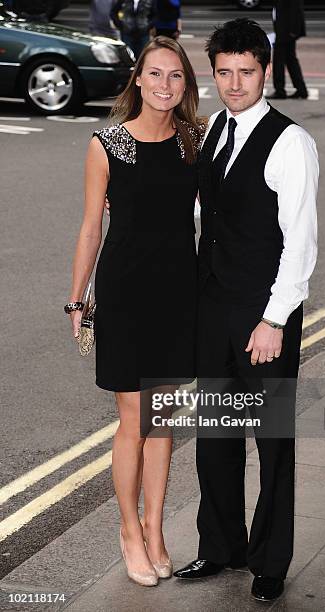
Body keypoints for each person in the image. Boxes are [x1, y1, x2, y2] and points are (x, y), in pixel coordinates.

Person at [173, 19, 318, 603]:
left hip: (264, 316)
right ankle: (222, 546)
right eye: (224, 73)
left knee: (272, 441)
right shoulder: (211, 133)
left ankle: (270, 560)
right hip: (214, 311)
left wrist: (274, 319)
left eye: (247, 72)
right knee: (217, 437)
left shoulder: (291, 142)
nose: (235, 84)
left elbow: (300, 241)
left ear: (265, 70)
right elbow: (211, 218)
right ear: (214, 74)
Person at [65, 36, 205, 587]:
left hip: (179, 293)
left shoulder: (195, 141)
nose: (165, 85)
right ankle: (128, 530)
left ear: (185, 85)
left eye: (176, 76)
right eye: (156, 75)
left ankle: (156, 529)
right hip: (124, 292)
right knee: (133, 419)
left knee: (163, 419)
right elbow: (90, 227)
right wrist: (78, 298)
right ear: (138, 80)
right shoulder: (107, 145)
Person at [267, 0, 308, 100]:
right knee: (290, 60)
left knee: (279, 60)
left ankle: (280, 90)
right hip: (284, 29)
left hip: (286, 30)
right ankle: (301, 89)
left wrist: (293, 31)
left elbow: (295, 9)